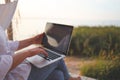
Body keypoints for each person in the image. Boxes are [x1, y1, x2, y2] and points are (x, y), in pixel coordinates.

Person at [0, 25, 81, 80]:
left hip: (17, 67)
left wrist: (32, 40)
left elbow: (6, 46)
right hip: (14, 76)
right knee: (58, 58)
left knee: (58, 75)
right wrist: (28, 53)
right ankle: (69, 78)